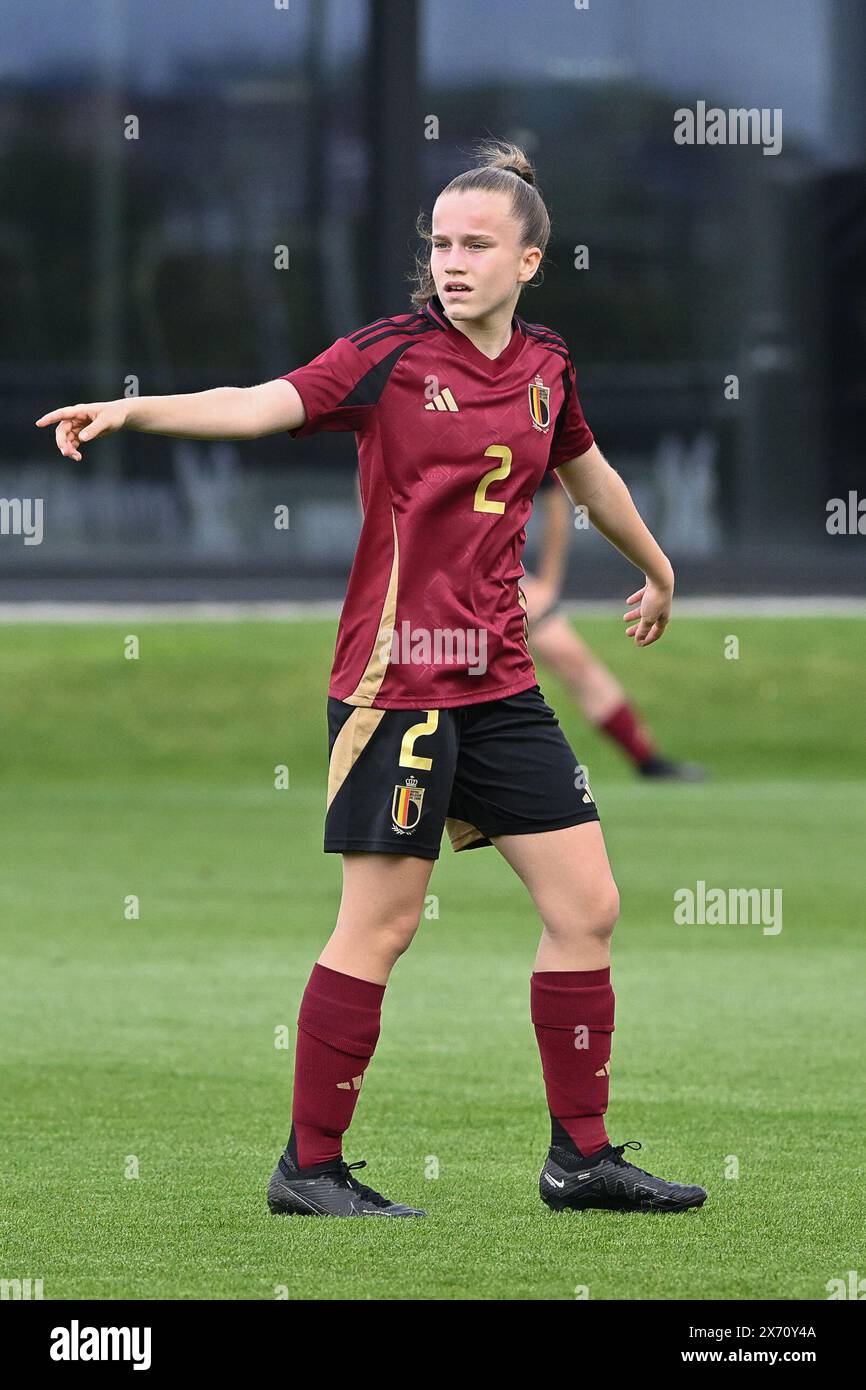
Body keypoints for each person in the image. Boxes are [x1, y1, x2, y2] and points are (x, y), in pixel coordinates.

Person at [36, 139, 707, 1218]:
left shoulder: (546, 367)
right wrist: (135, 410)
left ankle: (578, 1160)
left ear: (528, 261)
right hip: (395, 688)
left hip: (498, 683)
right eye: (439, 243)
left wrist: (656, 567)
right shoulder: (388, 356)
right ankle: (308, 1168)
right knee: (381, 926)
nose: (451, 261)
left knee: (587, 904)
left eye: (475, 245)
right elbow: (259, 402)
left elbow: (588, 471)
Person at [523, 472, 706, 780]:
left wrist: (548, 585)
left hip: (497, 576)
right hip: (437, 581)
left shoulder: (528, 426)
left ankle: (648, 761)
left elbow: (559, 496)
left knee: (573, 660)